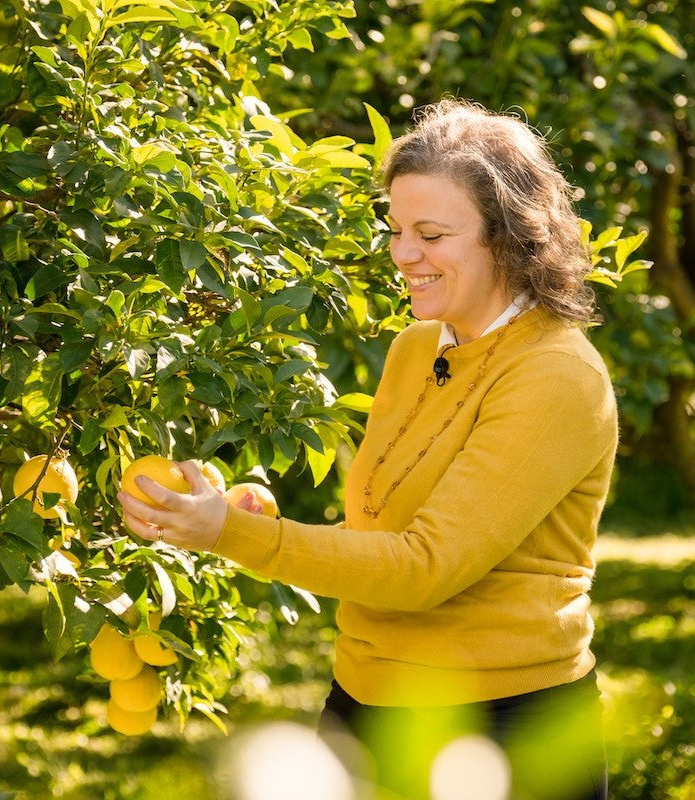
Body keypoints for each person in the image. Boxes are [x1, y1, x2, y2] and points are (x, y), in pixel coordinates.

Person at [117, 98, 617, 800]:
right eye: (397, 229)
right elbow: (386, 523)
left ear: (509, 238)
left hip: (502, 731)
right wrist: (253, 521)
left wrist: (230, 535)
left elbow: (424, 567)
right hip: (362, 703)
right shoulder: (418, 348)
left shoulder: (557, 376)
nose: (404, 254)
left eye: (432, 234)